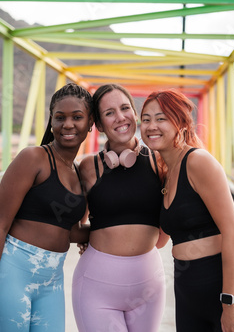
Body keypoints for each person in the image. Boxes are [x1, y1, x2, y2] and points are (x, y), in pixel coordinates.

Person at [0, 83, 93, 332]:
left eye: (77, 117)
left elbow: (70, 232)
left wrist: (119, 230)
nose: (68, 124)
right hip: (12, 274)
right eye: (60, 117)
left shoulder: (80, 173)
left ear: (90, 123)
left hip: (52, 281)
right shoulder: (33, 158)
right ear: (51, 121)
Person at [140, 89, 234, 332]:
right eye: (145, 119)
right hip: (187, 294)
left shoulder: (198, 162)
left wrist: (230, 305)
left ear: (181, 123)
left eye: (161, 118)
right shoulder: (166, 174)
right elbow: (159, 240)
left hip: (225, 294)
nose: (151, 125)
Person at [72, 84, 169, 332]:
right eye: (109, 113)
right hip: (97, 285)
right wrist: (91, 237)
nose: (121, 117)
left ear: (135, 113)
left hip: (148, 287)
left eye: (125, 108)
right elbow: (75, 224)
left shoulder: (159, 161)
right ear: (100, 125)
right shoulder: (88, 167)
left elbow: (170, 218)